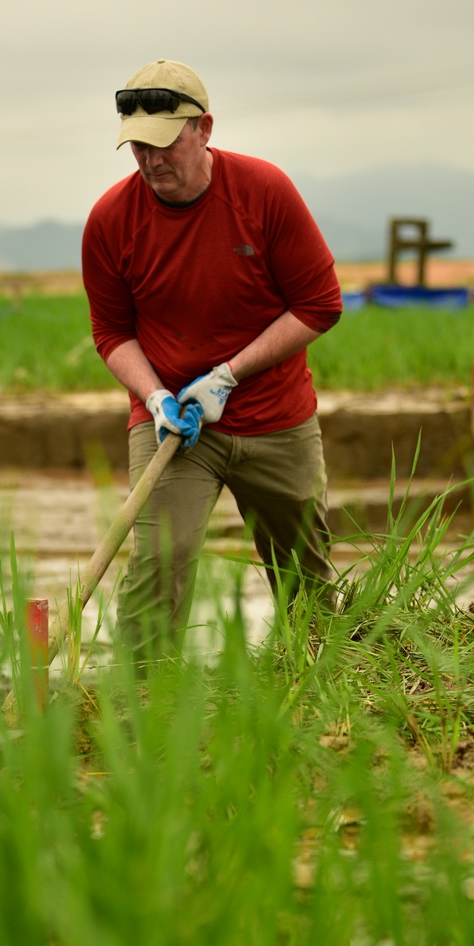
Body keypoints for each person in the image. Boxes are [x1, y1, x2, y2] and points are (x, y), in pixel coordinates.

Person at [82, 58, 343, 663]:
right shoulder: (111, 221)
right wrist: (154, 397)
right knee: (158, 564)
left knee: (303, 565)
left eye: (165, 143)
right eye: (138, 148)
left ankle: (323, 689)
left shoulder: (264, 192)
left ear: (204, 129)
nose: (151, 162)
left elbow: (319, 304)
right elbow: (112, 331)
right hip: (176, 424)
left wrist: (229, 374)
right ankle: (142, 704)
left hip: (275, 418)